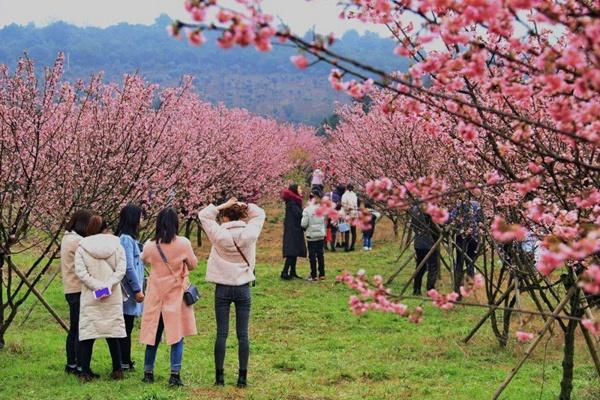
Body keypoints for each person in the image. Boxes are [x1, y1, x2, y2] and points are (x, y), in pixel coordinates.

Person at [198, 198, 266, 388]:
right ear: (241, 216)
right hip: (243, 287)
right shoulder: (249, 233)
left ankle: (219, 377)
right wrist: (246, 205)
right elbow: (260, 213)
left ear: (225, 217)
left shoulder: (219, 234)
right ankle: (242, 378)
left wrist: (222, 206)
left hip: (222, 287)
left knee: (222, 333)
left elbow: (203, 215)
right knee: (242, 334)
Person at [139, 207, 198, 387]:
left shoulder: (150, 245)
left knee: (153, 335)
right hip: (175, 295)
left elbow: (143, 259)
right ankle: (174, 374)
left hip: (156, 295)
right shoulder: (183, 243)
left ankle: (148, 372)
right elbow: (193, 264)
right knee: (177, 335)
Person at [74, 215, 127, 381]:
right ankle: (117, 369)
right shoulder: (116, 244)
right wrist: (109, 285)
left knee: (89, 333)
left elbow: (81, 273)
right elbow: (121, 269)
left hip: (92, 296)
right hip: (112, 295)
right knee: (113, 333)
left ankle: (84, 371)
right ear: (106, 228)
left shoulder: (82, 247)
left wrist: (98, 287)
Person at [60, 209, 93, 376]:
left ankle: (71, 364)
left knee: (74, 329)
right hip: (79, 289)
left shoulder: (67, 238)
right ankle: (81, 366)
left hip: (70, 289)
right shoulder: (78, 241)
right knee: (81, 329)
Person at [115, 204, 146, 372]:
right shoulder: (126, 239)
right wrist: (137, 289)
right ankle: (123, 362)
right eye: (140, 217)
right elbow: (128, 266)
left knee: (127, 326)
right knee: (125, 327)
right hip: (128, 293)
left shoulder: (129, 238)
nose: (142, 220)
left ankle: (124, 361)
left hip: (130, 291)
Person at [450, 199, 483, 294]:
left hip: (461, 237)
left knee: (459, 261)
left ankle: (458, 284)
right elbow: (481, 221)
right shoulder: (477, 205)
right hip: (474, 237)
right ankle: (470, 284)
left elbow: (452, 219)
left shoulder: (459, 206)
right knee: (470, 261)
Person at [409, 205, 440, 296]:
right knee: (433, 267)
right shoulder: (430, 208)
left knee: (420, 266)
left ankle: (416, 289)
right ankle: (430, 290)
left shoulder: (415, 208)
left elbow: (413, 225)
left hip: (419, 242)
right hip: (430, 243)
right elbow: (437, 226)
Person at [281, 184, 307, 280]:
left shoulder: (294, 201)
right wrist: (305, 211)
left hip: (294, 228)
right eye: (299, 188)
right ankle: (284, 272)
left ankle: (292, 272)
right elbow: (298, 214)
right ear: (295, 190)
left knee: (294, 250)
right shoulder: (292, 202)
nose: (301, 190)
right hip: (293, 229)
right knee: (292, 251)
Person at [302, 191, 327, 281]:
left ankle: (313, 275)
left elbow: (304, 224)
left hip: (311, 236)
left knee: (312, 256)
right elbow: (324, 221)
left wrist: (304, 228)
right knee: (320, 255)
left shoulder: (307, 210)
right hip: (320, 235)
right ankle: (322, 274)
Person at [341, 183, 358, 251]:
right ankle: (352, 246)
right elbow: (356, 205)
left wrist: (348, 208)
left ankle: (346, 247)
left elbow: (343, 205)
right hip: (354, 214)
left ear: (347, 188)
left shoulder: (344, 195)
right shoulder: (354, 195)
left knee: (347, 231)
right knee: (353, 231)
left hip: (347, 214)